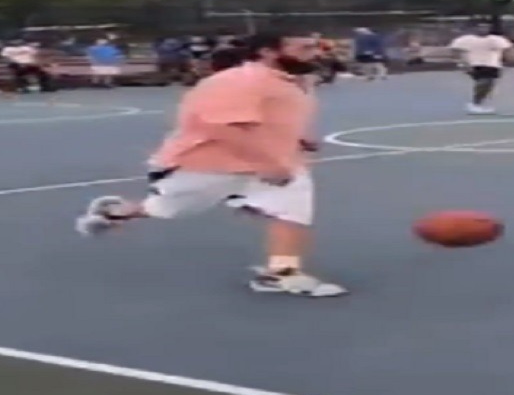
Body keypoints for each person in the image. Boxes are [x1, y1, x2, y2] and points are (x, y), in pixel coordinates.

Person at [74, 31, 346, 297]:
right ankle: (115, 212)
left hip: (271, 164)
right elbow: (221, 128)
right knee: (168, 208)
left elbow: (272, 119)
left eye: (314, 47)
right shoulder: (239, 80)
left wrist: (299, 139)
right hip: (206, 165)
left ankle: (280, 274)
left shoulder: (291, 81)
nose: (314, 53)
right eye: (304, 48)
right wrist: (266, 162)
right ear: (268, 51)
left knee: (292, 209)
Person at [448, 22, 514, 114]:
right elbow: (455, 50)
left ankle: (478, 103)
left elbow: (507, 50)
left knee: (489, 84)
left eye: (485, 27)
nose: (483, 29)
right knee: (483, 82)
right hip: (475, 64)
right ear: (475, 28)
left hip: (492, 64)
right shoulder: (466, 40)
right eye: (480, 27)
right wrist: (461, 63)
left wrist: (507, 61)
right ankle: (474, 103)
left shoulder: (496, 39)